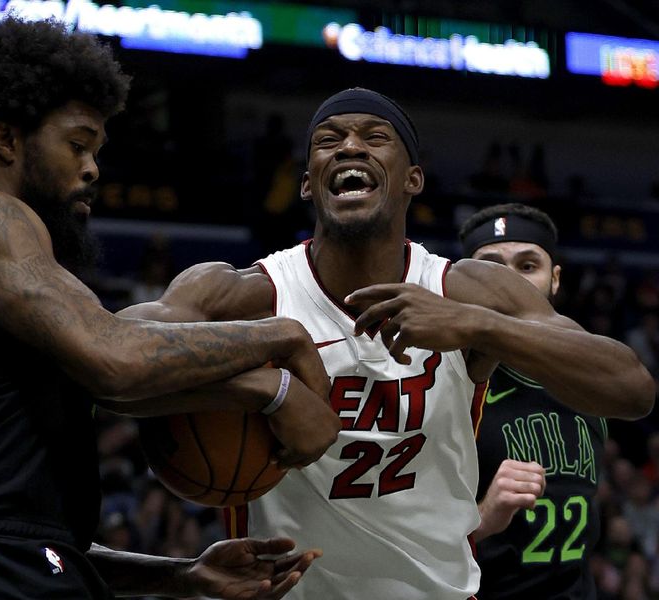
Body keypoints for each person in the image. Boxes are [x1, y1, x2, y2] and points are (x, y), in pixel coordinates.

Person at [121, 87, 655, 599]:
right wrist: (270, 387)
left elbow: (631, 389)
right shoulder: (245, 294)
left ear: (412, 179)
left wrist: (476, 326)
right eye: (329, 141)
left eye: (375, 137)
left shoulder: (467, 290)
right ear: (308, 183)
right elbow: (109, 359)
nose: (350, 146)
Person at [0, 17, 343, 599]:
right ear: (6, 140)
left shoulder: (21, 271)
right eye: (77, 145)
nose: (93, 168)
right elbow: (116, 359)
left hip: (5, 570)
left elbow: (39, 537)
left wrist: (180, 575)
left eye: (97, 150)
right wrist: (282, 342)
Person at [459, 203, 607, 598]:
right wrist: (484, 518)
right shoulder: (445, 385)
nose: (509, 283)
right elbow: (400, 537)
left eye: (527, 266)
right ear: (461, 281)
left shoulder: (589, 380)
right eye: (491, 267)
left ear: (554, 279)